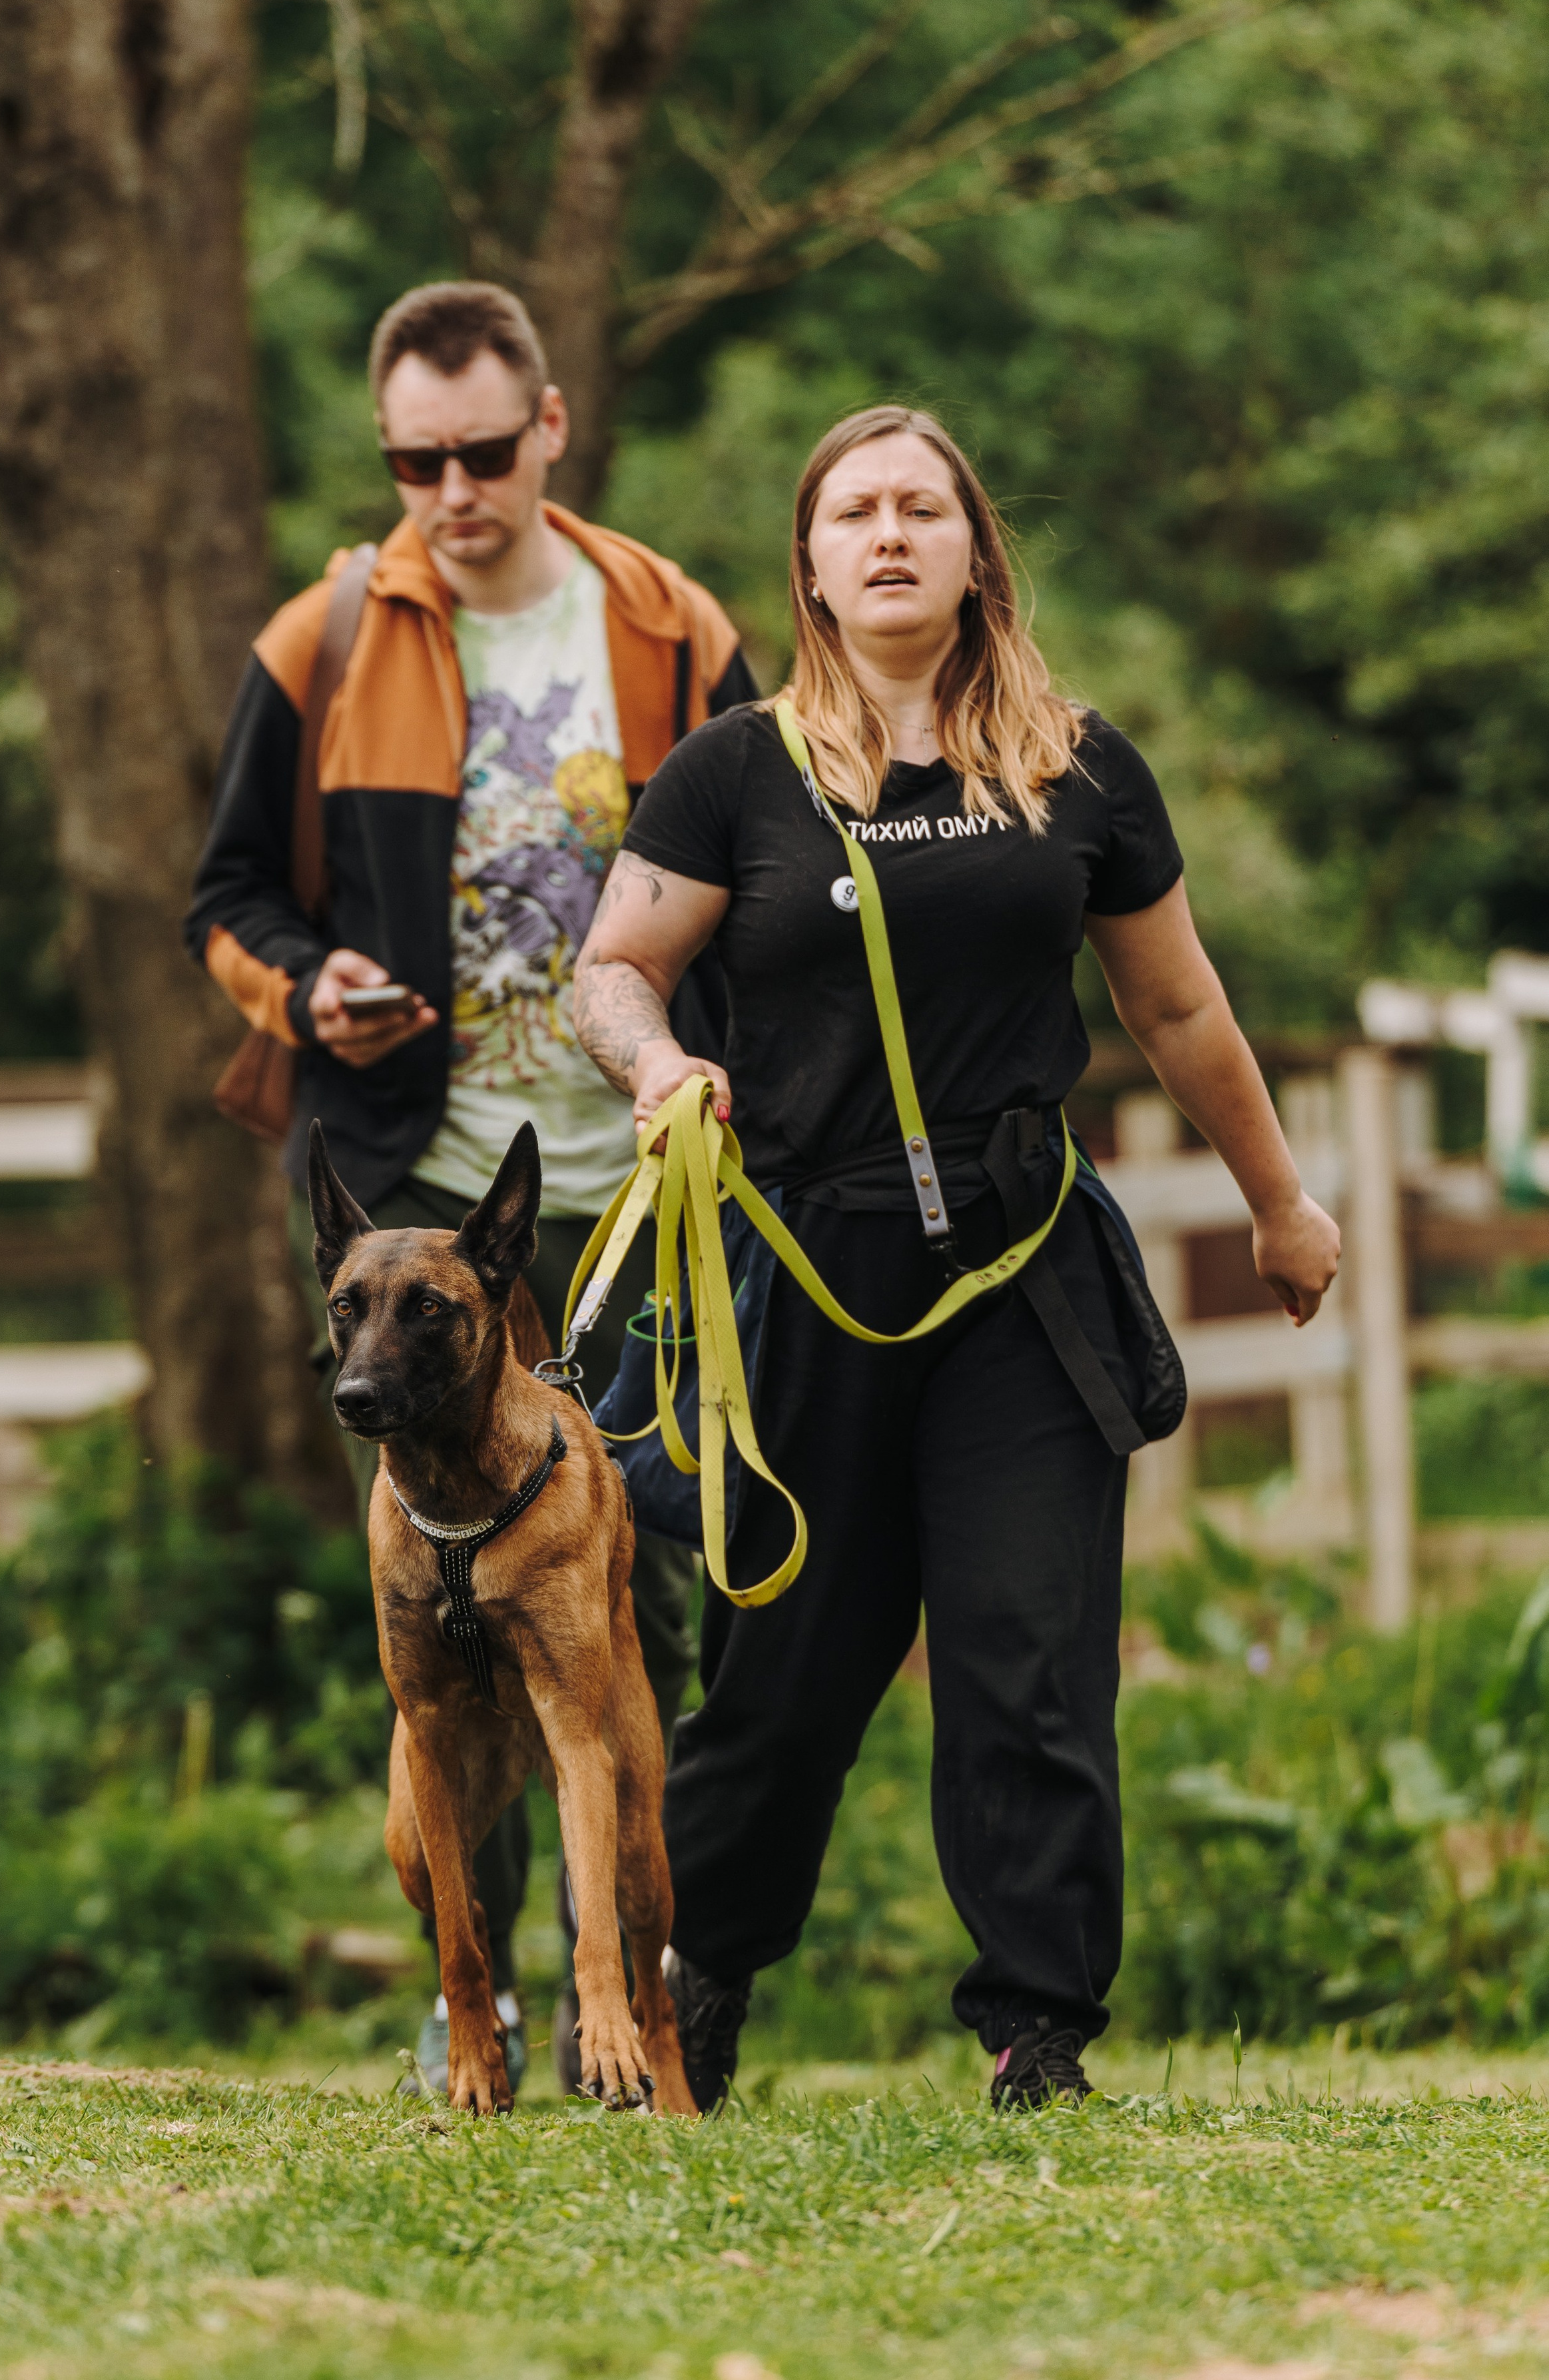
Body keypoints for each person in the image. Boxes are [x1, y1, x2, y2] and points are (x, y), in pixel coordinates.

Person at [573, 404, 1341, 2111]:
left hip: (1019, 1276)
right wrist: (654, 1063)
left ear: (976, 550)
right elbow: (610, 968)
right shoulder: (731, 772)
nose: (892, 533)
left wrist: (1280, 1202)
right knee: (777, 1677)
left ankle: (1034, 2031)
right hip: (807, 1271)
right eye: (855, 512)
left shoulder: (1075, 763)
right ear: (813, 566)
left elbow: (1177, 1002)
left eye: (924, 506)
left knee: (1028, 1656)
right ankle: (695, 1974)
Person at [183, 280, 755, 2089]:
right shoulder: (329, 633)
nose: (450, 488)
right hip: (406, 1185)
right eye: (414, 459)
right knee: (441, 1621)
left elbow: (774, 880)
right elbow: (224, 900)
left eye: (483, 451)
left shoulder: (668, 627)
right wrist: (304, 987)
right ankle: (478, 2003)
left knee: (654, 1607)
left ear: (552, 427)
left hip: (622, 1210)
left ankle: (663, 1998)